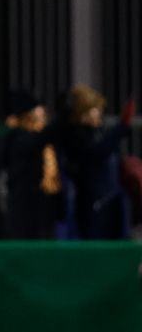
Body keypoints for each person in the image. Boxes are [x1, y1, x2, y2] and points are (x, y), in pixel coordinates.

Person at [57, 84, 135, 239]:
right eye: (95, 109)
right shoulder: (75, 135)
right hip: (93, 205)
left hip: (111, 201)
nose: (99, 113)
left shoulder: (97, 132)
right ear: (82, 112)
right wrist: (121, 129)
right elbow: (96, 153)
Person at [1, 90, 63, 239]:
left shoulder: (43, 143)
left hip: (45, 206)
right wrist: (64, 116)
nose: (43, 120)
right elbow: (44, 136)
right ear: (28, 118)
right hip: (25, 210)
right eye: (39, 117)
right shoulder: (18, 139)